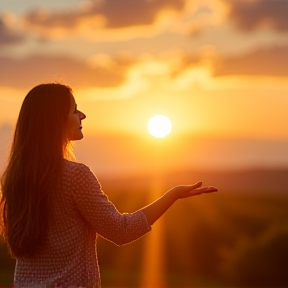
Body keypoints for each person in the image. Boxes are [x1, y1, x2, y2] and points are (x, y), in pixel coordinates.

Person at [0, 83, 218, 288]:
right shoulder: (76, 175)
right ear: (54, 120)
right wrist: (172, 195)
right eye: (74, 110)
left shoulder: (13, 178)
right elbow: (121, 231)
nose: (82, 115)